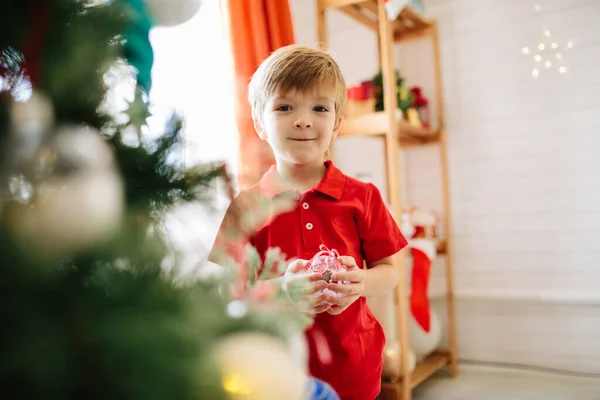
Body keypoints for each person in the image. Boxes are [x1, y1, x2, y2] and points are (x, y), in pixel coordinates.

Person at [209, 44, 407, 400]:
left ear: (337, 123)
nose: (303, 120)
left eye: (320, 108)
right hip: (275, 368)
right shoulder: (246, 207)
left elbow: (389, 272)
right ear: (259, 122)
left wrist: (359, 283)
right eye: (284, 107)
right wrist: (281, 290)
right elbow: (229, 292)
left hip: (354, 367)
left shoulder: (363, 196)